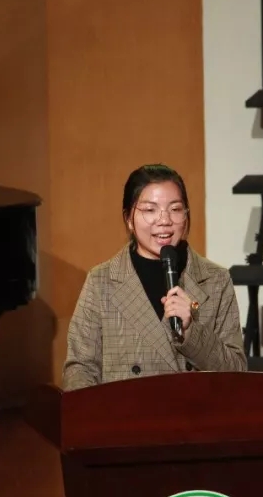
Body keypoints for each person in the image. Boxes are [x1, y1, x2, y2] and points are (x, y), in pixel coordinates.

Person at [62, 163, 247, 390]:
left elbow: (237, 372)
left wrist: (191, 331)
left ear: (186, 215)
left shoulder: (215, 280)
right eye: (150, 210)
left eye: (175, 209)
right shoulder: (102, 281)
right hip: (126, 411)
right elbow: (80, 368)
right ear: (129, 218)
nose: (164, 220)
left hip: (195, 410)